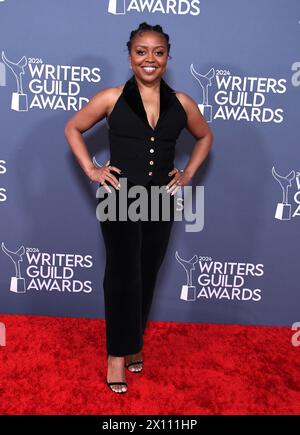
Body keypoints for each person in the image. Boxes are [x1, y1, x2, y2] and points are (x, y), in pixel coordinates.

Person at [64, 22, 213, 394]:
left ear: (167, 57)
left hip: (160, 198)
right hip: (120, 197)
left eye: (158, 52)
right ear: (130, 55)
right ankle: (117, 354)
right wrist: (91, 169)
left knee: (147, 271)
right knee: (122, 272)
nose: (150, 59)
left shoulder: (182, 104)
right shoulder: (111, 97)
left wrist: (189, 171)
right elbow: (72, 128)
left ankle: (134, 343)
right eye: (142, 51)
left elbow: (205, 135)